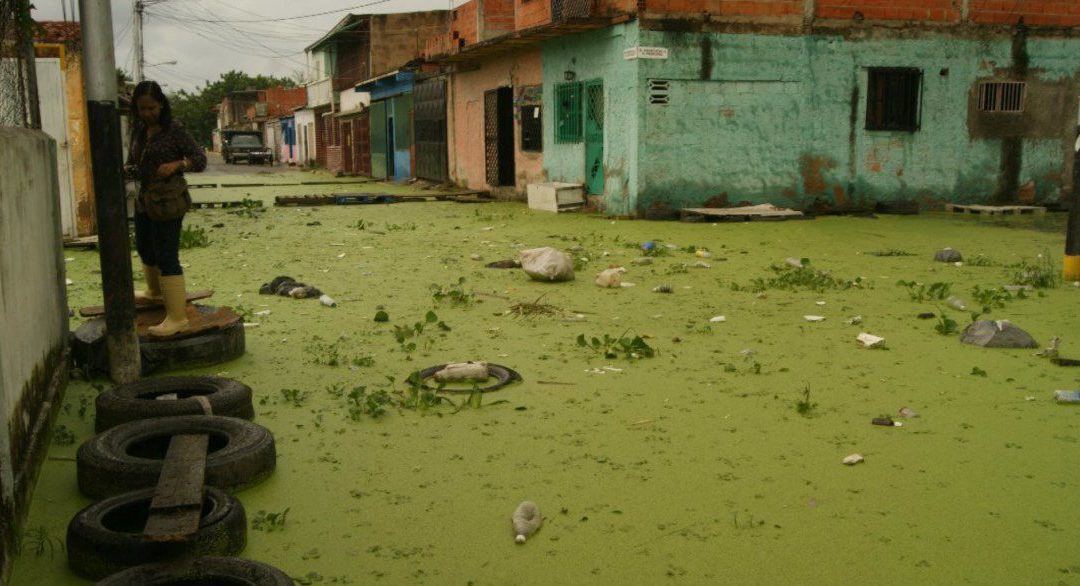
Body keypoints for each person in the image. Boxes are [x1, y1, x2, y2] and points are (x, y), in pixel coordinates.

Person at [126, 80, 207, 337]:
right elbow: (134, 161)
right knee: (144, 247)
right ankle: (154, 293)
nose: (147, 113)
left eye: (151, 108)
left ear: (161, 105)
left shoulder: (174, 130)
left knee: (166, 255)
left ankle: (177, 317)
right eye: (142, 109)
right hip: (144, 198)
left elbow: (200, 160)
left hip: (168, 201)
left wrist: (177, 164)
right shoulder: (138, 130)